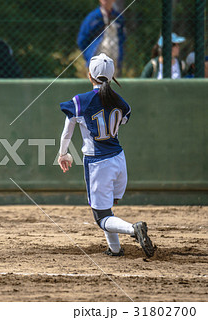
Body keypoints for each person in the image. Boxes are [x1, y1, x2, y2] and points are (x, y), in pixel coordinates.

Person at [57, 53, 155, 258]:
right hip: (119, 160)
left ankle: (132, 230)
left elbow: (68, 130)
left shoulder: (80, 101)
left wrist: (63, 153)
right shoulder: (120, 102)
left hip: (98, 163)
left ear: (90, 75)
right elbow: (124, 118)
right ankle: (115, 249)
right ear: (111, 77)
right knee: (106, 210)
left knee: (101, 217)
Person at [77, 0, 126, 76]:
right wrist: (89, 57)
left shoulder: (118, 18)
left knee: (111, 85)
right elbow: (82, 40)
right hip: (96, 60)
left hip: (113, 60)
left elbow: (122, 38)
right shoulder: (93, 17)